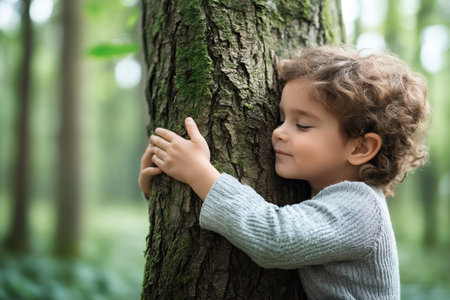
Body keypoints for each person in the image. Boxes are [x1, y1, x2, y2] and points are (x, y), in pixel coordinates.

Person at [138, 45, 430, 299]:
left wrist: (199, 173)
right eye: (281, 119)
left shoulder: (361, 207)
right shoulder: (329, 192)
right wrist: (163, 190)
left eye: (302, 125)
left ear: (360, 147)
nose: (278, 132)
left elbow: (274, 239)